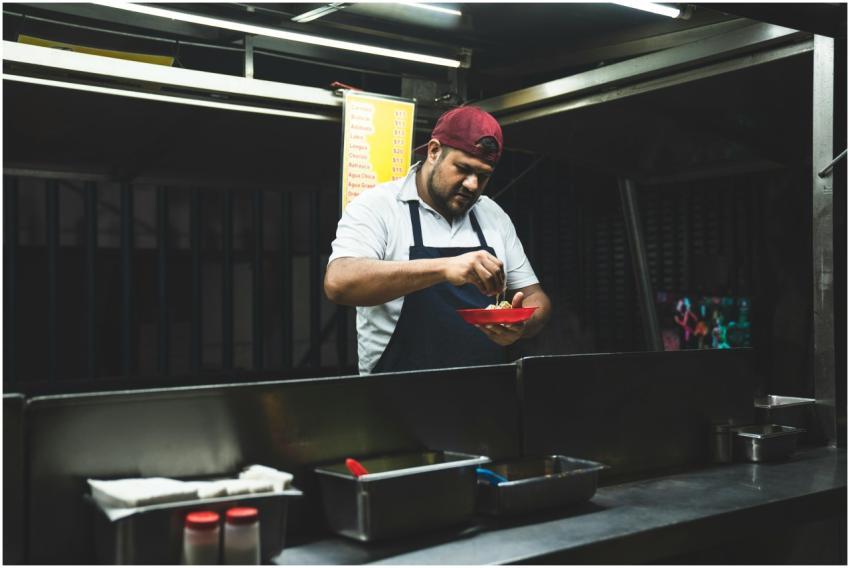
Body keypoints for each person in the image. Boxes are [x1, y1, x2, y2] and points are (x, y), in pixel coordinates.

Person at [325, 105, 552, 374]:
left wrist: (521, 326)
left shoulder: (492, 215)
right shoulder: (379, 206)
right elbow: (339, 282)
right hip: (395, 392)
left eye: (483, 176)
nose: (472, 184)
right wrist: (445, 268)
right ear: (434, 151)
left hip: (483, 390)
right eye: (463, 168)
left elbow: (537, 298)